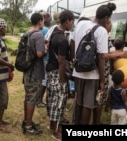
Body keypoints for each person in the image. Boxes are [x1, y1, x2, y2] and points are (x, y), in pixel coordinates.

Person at [71, 2, 116, 125]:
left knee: (79, 102)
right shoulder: (101, 31)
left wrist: (74, 62)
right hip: (92, 74)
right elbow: (101, 57)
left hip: (78, 71)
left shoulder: (80, 24)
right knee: (88, 104)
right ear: (106, 18)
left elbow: (72, 43)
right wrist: (102, 80)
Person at [46, 10, 74, 141]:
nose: (72, 24)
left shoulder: (54, 32)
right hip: (58, 72)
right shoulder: (62, 39)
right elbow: (62, 61)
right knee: (59, 101)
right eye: (72, 21)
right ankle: (56, 132)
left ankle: (52, 126)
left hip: (51, 71)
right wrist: (63, 80)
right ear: (67, 21)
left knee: (52, 100)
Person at [21, 12, 45, 135]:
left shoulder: (27, 33)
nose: (43, 23)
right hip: (34, 72)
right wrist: (45, 49)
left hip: (26, 70)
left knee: (28, 96)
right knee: (32, 98)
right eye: (43, 21)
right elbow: (40, 53)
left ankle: (26, 121)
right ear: (40, 21)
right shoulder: (39, 35)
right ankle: (29, 126)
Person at [36, 11, 52, 108]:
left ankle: (38, 99)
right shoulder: (47, 30)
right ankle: (39, 100)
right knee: (45, 80)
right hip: (46, 57)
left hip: (40, 57)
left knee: (41, 79)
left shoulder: (39, 30)